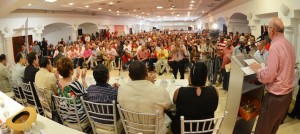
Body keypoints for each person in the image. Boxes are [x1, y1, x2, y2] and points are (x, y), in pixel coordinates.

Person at [250, 18, 296, 134]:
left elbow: (269, 76)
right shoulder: (289, 45)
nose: (267, 31)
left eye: (268, 28)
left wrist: (258, 69)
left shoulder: (275, 47)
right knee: (273, 128)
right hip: (287, 96)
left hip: (275, 97)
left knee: (262, 130)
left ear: (273, 30)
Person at [118, 61, 172, 134]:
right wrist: (148, 83)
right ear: (146, 73)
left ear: (129, 76)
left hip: (132, 130)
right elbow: (169, 106)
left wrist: (147, 82)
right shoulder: (160, 90)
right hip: (155, 131)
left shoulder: (121, 90)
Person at [171, 62, 219, 134]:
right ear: (206, 77)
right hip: (206, 130)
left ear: (190, 76)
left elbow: (174, 102)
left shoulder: (179, 91)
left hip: (183, 130)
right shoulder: (214, 91)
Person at [56, 57, 88, 124]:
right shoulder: (75, 85)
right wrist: (83, 79)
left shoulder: (58, 82)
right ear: (71, 70)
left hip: (65, 117)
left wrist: (74, 79)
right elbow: (87, 95)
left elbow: (67, 86)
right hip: (78, 120)